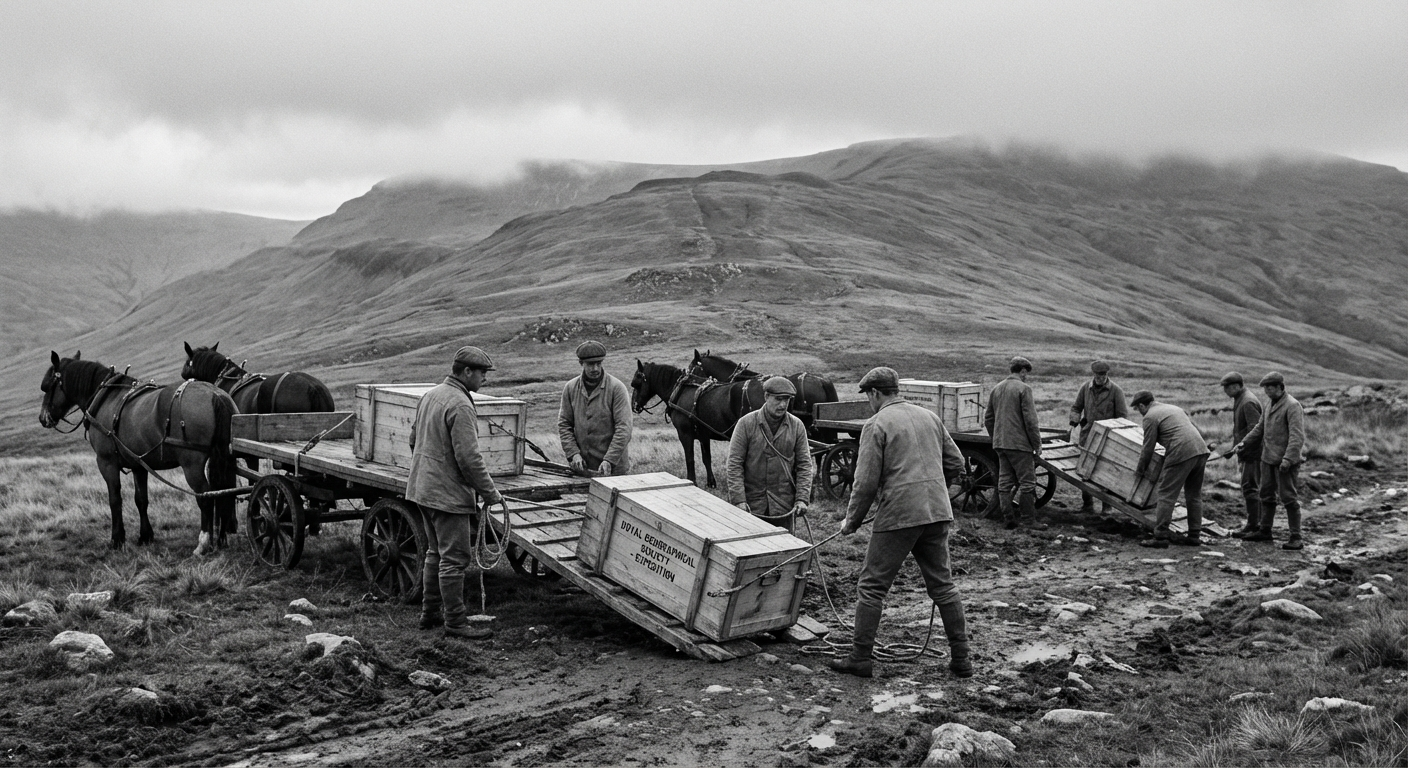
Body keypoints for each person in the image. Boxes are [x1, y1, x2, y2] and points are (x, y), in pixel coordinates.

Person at [830, 367, 971, 680]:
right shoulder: (930, 417)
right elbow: (957, 463)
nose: (869, 401)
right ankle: (962, 660)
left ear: (876, 393)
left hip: (899, 516)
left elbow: (864, 483)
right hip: (937, 512)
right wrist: (932, 491)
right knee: (943, 586)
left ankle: (860, 658)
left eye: (868, 395)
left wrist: (851, 521)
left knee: (871, 586)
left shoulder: (876, 423)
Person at [406, 346, 503, 639]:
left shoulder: (431, 394)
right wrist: (490, 493)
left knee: (435, 553)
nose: (485, 379)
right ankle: (456, 622)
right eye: (482, 373)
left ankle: (429, 615)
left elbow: (413, 439)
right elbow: (469, 459)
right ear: (467, 372)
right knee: (455, 559)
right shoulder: (460, 405)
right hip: (447, 497)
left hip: (422, 489)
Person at [726, 376, 814, 532]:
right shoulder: (746, 424)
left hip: (784, 506)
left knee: (785, 551)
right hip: (751, 506)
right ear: (766, 396)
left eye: (786, 400)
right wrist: (739, 500)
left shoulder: (797, 426)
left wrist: (802, 499)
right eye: (778, 399)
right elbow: (734, 464)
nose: (782, 405)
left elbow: (805, 465)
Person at [1231, 372, 1306, 550]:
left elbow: (1297, 437)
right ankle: (1265, 530)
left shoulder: (1293, 406)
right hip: (1267, 458)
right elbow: (1260, 428)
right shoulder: (1268, 404)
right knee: (1266, 495)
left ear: (1280, 387)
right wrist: (1244, 443)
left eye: (1270, 388)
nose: (1267, 391)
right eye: (1265, 388)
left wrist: (1288, 459)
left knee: (1288, 498)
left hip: (1285, 461)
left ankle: (1296, 536)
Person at [1131, 391, 1209, 548]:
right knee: (1194, 495)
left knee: (1166, 494)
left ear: (1142, 405)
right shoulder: (1173, 408)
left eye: (1138, 409)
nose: (1139, 413)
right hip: (1201, 450)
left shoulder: (1150, 416)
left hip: (1181, 453)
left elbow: (1148, 447)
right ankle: (1194, 535)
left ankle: (1160, 537)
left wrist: (1140, 470)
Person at [558, 340, 633, 476]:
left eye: (599, 363)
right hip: (583, 469)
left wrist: (609, 460)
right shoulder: (570, 388)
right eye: (590, 364)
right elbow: (564, 424)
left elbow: (624, 428)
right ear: (581, 363)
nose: (595, 369)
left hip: (613, 470)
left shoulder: (617, 388)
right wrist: (573, 454)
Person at [984, 356, 1043, 529]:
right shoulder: (1024, 389)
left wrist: (996, 437)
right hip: (1019, 445)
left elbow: (988, 418)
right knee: (1027, 482)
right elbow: (1031, 421)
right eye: (1026, 373)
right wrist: (1036, 444)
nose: (1027, 377)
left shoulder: (997, 388)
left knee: (1004, 481)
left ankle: (1008, 518)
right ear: (1023, 371)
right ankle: (1028, 520)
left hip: (1000, 444)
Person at [1067, 360, 1129, 514]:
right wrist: (1074, 421)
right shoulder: (1085, 388)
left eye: (1104, 374)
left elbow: (1122, 417)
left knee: (1105, 472)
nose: (1101, 377)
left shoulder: (1116, 391)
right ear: (1093, 374)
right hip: (1088, 434)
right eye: (1098, 374)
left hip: (1108, 439)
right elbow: (1076, 407)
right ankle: (1087, 504)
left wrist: (1116, 436)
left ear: (1107, 374)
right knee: (1084, 470)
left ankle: (1106, 506)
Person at [1218, 372, 1264, 538]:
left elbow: (1255, 429)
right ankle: (1255, 524)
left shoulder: (1248, 402)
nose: (1225, 391)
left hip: (1253, 454)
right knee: (1250, 487)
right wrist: (1233, 448)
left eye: (1227, 388)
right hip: (1247, 452)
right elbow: (1242, 430)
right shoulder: (1241, 399)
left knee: (1250, 488)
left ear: (1237, 386)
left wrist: (1242, 447)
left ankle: (1254, 526)